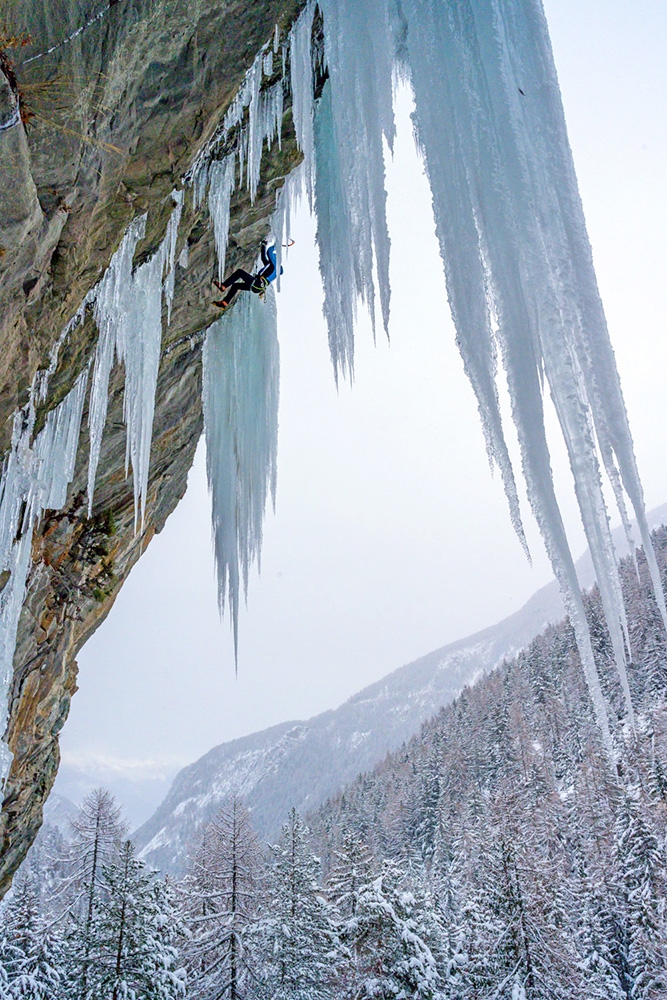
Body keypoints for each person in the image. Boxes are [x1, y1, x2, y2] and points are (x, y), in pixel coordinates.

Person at [213, 240, 283, 310]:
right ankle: (225, 302)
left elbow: (269, 252)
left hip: (257, 283)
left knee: (239, 272)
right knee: (236, 286)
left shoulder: (275, 265)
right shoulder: (271, 267)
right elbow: (263, 258)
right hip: (257, 287)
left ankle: (224, 286)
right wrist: (263, 245)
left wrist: (276, 245)